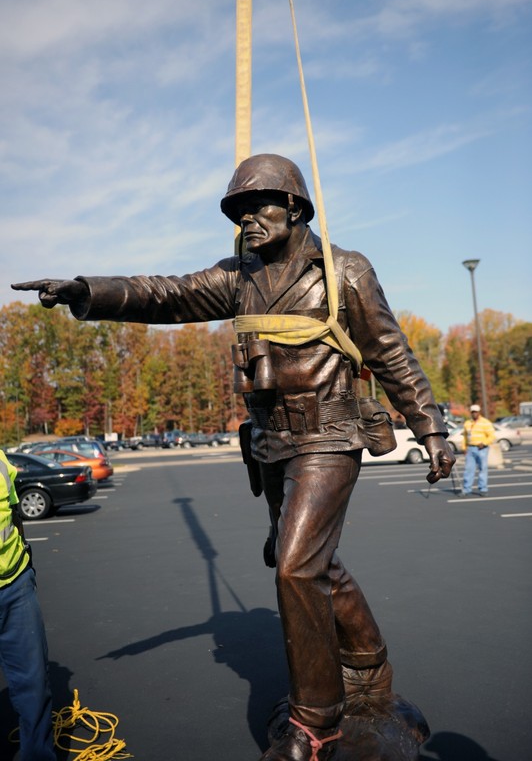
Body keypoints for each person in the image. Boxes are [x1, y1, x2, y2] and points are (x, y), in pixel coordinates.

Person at [12, 153, 455, 761]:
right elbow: (164, 295)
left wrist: (430, 428)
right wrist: (88, 290)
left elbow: (390, 352)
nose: (247, 218)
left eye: (260, 205)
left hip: (329, 435)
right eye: (238, 210)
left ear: (294, 206)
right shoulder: (238, 275)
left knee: (295, 565)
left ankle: (316, 720)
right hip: (272, 441)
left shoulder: (344, 270)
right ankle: (369, 667)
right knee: (312, 562)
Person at [0, 449, 56, 761]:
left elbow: (13, 516)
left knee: (34, 685)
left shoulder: (0, 463)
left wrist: (25, 569)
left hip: (15, 585)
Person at [461, 404, 496, 496]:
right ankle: (466, 489)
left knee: (482, 469)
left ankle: (483, 489)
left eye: (476, 412)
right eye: (472, 412)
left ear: (479, 412)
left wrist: (484, 443)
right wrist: (464, 448)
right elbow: (465, 437)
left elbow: (492, 436)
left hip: (482, 449)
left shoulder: (485, 422)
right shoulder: (467, 423)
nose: (474, 413)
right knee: (468, 469)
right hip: (470, 448)